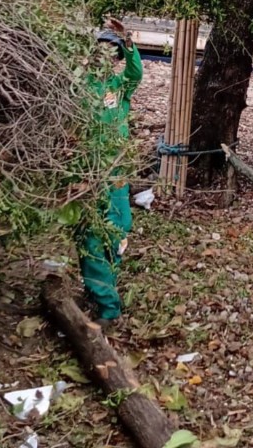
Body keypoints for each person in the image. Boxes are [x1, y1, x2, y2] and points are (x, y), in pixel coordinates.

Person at [75, 18, 143, 328]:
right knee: (91, 236)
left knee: (118, 229)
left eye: (112, 53)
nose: (107, 58)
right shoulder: (81, 87)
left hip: (116, 174)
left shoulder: (118, 87)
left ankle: (104, 289)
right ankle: (106, 306)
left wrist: (127, 41)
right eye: (102, 51)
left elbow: (135, 73)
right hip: (89, 175)